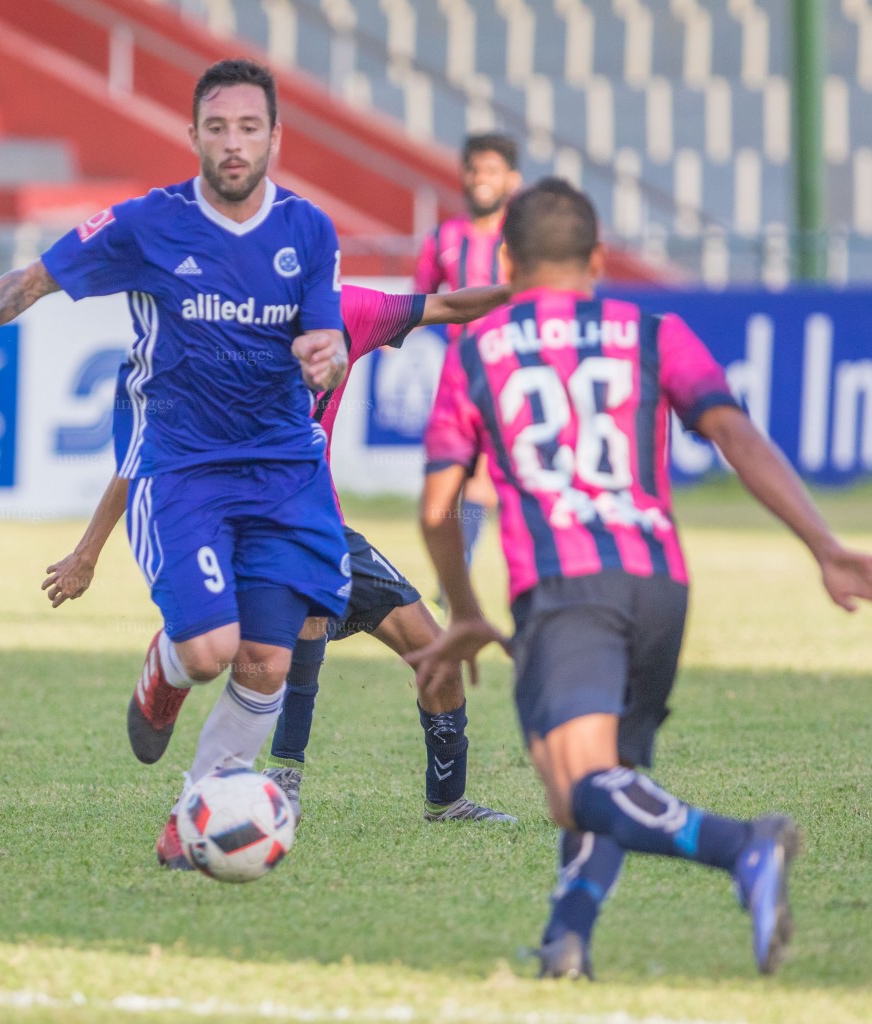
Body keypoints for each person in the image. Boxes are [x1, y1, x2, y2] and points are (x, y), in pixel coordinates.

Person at [407, 178, 872, 978]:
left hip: (568, 585)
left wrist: (465, 611)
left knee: (580, 790)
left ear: (506, 261)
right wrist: (822, 543)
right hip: (660, 586)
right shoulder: (654, 333)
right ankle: (566, 944)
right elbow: (737, 437)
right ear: (599, 259)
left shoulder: (479, 350)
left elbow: (440, 506)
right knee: (598, 781)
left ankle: (743, 845)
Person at [0, 58, 352, 870]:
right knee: (212, 649)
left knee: (267, 660)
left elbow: (326, 336)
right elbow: (36, 279)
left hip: (285, 469)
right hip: (181, 465)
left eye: (250, 128)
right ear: (195, 137)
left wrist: (328, 354)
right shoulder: (149, 224)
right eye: (218, 128)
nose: (234, 144)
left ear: (275, 136)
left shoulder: (310, 231)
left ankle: (196, 815)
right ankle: (165, 668)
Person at [45, 280, 519, 826]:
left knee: (435, 653)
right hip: (239, 530)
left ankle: (448, 801)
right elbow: (143, 454)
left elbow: (451, 305)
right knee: (296, 618)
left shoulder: (351, 309)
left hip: (320, 523)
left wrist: (531, 288)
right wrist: (87, 553)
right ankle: (279, 773)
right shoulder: (217, 339)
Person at [415, 134, 525, 573]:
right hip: (456, 374)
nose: (481, 179)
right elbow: (417, 300)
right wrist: (382, 338)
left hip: (509, 368)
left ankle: (461, 561)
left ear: (511, 180)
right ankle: (454, 562)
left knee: (487, 472)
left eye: (492, 171)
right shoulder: (442, 237)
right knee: (441, 486)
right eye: (475, 169)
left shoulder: (522, 239)